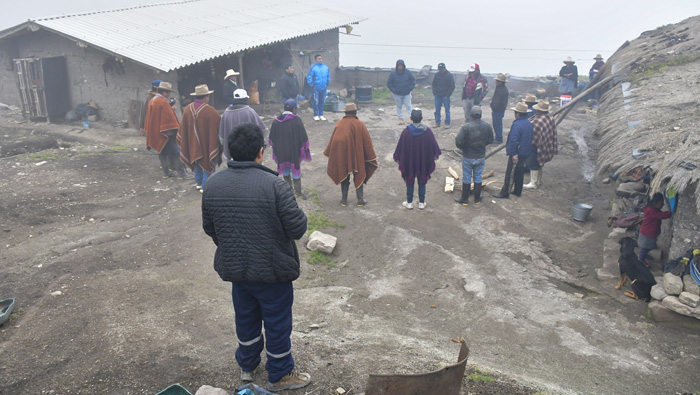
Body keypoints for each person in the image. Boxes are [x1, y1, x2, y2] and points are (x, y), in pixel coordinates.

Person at [201, 122, 311, 392]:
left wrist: (230, 246)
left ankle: (247, 366)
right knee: (276, 322)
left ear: (229, 152)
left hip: (237, 270)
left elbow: (210, 228)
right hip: (273, 273)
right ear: (261, 151)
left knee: (245, 317)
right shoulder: (275, 186)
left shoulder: (213, 184)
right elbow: (296, 228)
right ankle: (280, 374)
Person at [323, 103, 378, 207]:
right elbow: (367, 143)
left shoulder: (339, 124)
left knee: (344, 173)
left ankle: (344, 201)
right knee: (360, 172)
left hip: (343, 155)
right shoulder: (359, 124)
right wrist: (369, 155)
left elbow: (334, 142)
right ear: (355, 112)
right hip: (357, 155)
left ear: (345, 112)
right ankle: (360, 200)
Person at [176, 84, 222, 192]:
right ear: (206, 97)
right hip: (207, 144)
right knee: (207, 160)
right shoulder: (210, 111)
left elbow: (182, 128)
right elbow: (219, 125)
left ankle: (198, 182)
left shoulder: (187, 109)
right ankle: (205, 184)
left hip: (192, 144)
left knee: (196, 161)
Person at [393, 109, 441, 210]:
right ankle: (421, 203)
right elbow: (434, 148)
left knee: (410, 179)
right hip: (423, 161)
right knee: (422, 179)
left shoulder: (406, 132)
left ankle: (409, 203)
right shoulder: (427, 131)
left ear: (411, 119)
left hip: (410, 161)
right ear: (422, 118)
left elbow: (400, 149)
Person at [145, 81, 191, 179]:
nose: (169, 94)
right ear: (165, 92)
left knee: (162, 152)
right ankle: (182, 174)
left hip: (157, 132)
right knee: (176, 152)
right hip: (167, 132)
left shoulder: (153, 100)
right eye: (168, 92)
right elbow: (169, 119)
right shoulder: (162, 102)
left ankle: (166, 173)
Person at [269, 99, 311, 198]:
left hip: (281, 152)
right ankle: (298, 192)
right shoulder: (297, 121)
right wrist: (305, 149)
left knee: (285, 170)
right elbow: (303, 137)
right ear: (294, 109)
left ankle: (289, 190)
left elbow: (272, 139)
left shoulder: (276, 122)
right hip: (294, 152)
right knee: (295, 169)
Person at [454, 106, 494, 206]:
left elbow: (458, 141)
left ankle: (465, 200)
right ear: (480, 115)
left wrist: (463, 147)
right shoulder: (487, 126)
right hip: (480, 156)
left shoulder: (466, 127)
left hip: (468, 156)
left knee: (467, 177)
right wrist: (482, 144)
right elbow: (491, 140)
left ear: (471, 116)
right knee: (478, 177)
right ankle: (477, 199)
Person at [492, 102, 532, 199]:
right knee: (520, 172)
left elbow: (513, 140)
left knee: (510, 173)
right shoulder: (528, 123)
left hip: (517, 153)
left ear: (518, 114)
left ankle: (505, 192)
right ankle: (518, 191)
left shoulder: (517, 124)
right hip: (525, 152)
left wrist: (513, 154)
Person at [219, 89, 268, 161]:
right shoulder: (249, 111)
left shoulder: (226, 113)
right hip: (249, 150)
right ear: (245, 99)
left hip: (233, 150)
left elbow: (222, 136)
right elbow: (262, 130)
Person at [524, 100, 558, 190]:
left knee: (533, 162)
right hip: (544, 143)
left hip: (536, 144)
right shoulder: (549, 116)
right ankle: (538, 180)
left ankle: (533, 183)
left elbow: (533, 134)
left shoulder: (538, 121)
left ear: (540, 110)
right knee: (539, 162)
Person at [638, 193, 672, 264]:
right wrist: (669, 213)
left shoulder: (653, 208)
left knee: (648, 246)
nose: (663, 205)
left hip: (649, 233)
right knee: (644, 247)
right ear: (655, 203)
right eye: (661, 203)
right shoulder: (651, 211)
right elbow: (660, 215)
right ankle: (641, 260)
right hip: (647, 233)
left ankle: (644, 255)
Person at [387, 59, 415, 125]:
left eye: (401, 66)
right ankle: (401, 119)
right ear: (397, 66)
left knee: (408, 106)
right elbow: (389, 83)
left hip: (406, 93)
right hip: (397, 94)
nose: (400, 67)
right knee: (399, 106)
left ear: (403, 66)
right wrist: (393, 90)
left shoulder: (408, 72)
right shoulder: (393, 74)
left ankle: (412, 118)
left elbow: (412, 81)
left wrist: (410, 88)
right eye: (399, 66)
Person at [431, 62, 455, 129]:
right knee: (437, 110)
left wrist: (447, 95)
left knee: (447, 110)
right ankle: (437, 123)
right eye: (440, 69)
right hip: (437, 96)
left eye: (442, 69)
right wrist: (434, 93)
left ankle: (447, 123)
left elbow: (452, 86)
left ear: (444, 68)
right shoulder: (437, 75)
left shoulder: (449, 75)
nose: (441, 71)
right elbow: (433, 84)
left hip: (445, 96)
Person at [307, 54, 330, 121]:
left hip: (324, 87)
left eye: (321, 58)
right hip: (316, 87)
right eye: (319, 59)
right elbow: (309, 77)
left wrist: (328, 83)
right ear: (316, 59)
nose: (320, 60)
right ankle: (316, 115)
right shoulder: (313, 67)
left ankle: (321, 114)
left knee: (322, 101)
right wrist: (312, 85)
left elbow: (328, 75)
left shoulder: (325, 67)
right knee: (316, 101)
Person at [490, 73, 509, 144]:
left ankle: (498, 139)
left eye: (497, 81)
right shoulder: (503, 89)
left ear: (500, 82)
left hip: (497, 110)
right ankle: (498, 138)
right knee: (498, 124)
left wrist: (492, 106)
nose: (495, 82)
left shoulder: (500, 90)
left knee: (497, 124)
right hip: (500, 110)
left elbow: (496, 101)